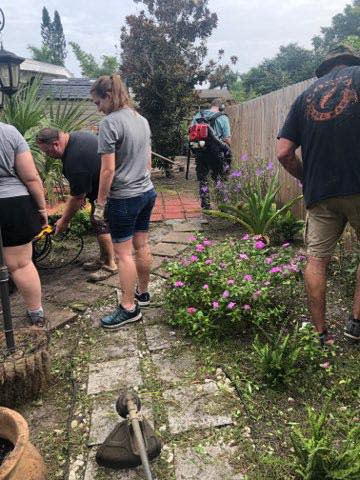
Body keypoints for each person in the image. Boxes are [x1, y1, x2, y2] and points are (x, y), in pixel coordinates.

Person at [277, 44, 360, 345]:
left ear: (325, 68)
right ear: (351, 61)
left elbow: (284, 152)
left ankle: (320, 334)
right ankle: (356, 325)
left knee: (316, 260)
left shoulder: (304, 97)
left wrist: (308, 177)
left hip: (320, 192)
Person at [90, 74, 157, 329]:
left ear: (108, 96)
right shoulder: (142, 120)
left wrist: (100, 203)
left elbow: (107, 170)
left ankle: (129, 307)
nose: (98, 107)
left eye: (98, 102)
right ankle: (143, 293)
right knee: (141, 245)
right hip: (147, 192)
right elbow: (148, 161)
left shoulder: (109, 123)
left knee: (123, 254)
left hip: (124, 198)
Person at [36, 128, 117, 282]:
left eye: (47, 152)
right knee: (96, 220)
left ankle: (110, 265)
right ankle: (103, 258)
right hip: (101, 187)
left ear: (56, 144)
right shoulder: (76, 137)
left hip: (111, 189)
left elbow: (76, 197)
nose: (48, 156)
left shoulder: (75, 158)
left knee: (100, 222)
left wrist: (64, 221)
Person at [0, 122, 47, 326]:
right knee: (21, 264)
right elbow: (31, 177)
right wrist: (42, 209)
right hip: (13, 204)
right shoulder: (8, 132)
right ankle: (36, 315)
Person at [191, 98, 231, 209]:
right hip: (216, 153)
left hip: (200, 151)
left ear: (211, 105)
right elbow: (227, 139)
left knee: (203, 178)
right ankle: (222, 205)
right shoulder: (223, 117)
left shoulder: (198, 115)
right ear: (221, 106)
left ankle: (206, 205)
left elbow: (190, 133)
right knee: (220, 178)